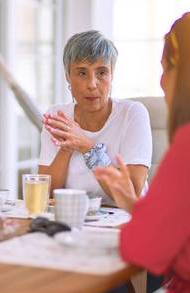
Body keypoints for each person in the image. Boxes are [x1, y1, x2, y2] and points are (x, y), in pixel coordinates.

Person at [95, 12, 190, 293]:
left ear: (187, 73)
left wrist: (139, 221)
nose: (162, 82)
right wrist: (132, 204)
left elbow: (142, 249)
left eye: (165, 68)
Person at [39, 30, 152, 205]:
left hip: (126, 220)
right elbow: (45, 194)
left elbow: (133, 194)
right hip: (73, 219)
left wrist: (86, 146)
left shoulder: (133, 113)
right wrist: (66, 147)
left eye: (101, 72)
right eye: (82, 73)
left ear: (112, 75)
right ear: (68, 76)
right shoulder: (58, 117)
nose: (92, 84)